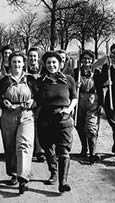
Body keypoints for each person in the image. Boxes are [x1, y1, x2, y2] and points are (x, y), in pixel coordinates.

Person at [0, 51, 37, 194]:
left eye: (19, 62)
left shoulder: (30, 79)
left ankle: (23, 178)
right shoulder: (4, 80)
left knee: (24, 144)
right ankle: (13, 173)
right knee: (10, 145)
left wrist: (33, 102)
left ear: (23, 63)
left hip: (26, 114)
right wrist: (3, 102)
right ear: (9, 63)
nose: (17, 64)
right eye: (14, 62)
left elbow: (39, 97)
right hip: (9, 115)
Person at [37, 51, 77, 193]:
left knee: (63, 150)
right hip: (45, 119)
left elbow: (74, 97)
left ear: (60, 64)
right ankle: (53, 172)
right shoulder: (40, 81)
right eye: (49, 63)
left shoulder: (68, 80)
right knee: (48, 148)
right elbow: (36, 100)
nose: (52, 65)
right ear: (45, 65)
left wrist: (69, 109)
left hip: (63, 119)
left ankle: (63, 182)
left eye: (54, 62)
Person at [74, 50, 102, 164]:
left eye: (89, 59)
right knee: (79, 125)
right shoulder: (76, 72)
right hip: (79, 100)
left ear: (92, 60)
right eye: (84, 59)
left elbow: (100, 88)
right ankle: (84, 148)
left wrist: (101, 103)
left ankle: (93, 153)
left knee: (91, 127)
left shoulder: (97, 73)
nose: (87, 61)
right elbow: (70, 86)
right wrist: (76, 85)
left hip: (92, 100)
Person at [26, 47, 46, 163]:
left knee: (39, 126)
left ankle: (40, 151)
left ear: (38, 58)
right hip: (27, 102)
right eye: (31, 56)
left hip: (39, 102)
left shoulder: (43, 71)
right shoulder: (24, 71)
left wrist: (37, 101)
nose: (33, 58)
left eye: (35, 56)